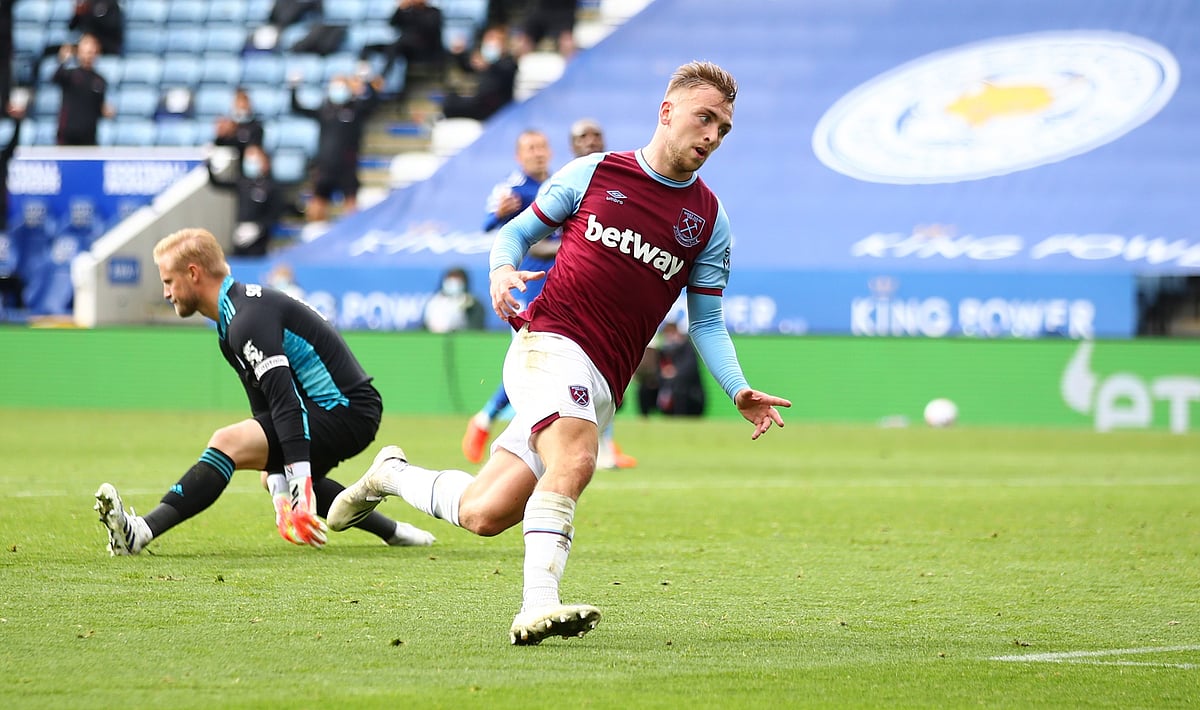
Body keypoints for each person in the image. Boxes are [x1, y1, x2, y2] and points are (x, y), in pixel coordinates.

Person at [328, 61, 791, 645]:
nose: (711, 136)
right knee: (576, 461)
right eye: (704, 119)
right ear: (667, 111)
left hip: (601, 385)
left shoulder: (708, 221)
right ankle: (536, 606)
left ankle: (391, 476)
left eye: (723, 129)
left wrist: (737, 388)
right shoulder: (594, 173)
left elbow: (707, 321)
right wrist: (500, 272)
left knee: (484, 512)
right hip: (549, 344)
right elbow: (516, 233)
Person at [93, 228, 434, 555]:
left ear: (193, 273)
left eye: (168, 281)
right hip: (335, 410)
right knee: (268, 475)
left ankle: (140, 532)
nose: (166, 293)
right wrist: (281, 503)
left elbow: (286, 404)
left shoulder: (247, 320)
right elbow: (266, 411)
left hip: (347, 410)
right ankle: (397, 533)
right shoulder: (233, 322)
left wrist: (300, 496)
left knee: (228, 442)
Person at [460, 128, 554, 463]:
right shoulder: (511, 188)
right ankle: (492, 423)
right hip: (525, 286)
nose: (538, 152)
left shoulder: (559, 184)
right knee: (529, 358)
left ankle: (494, 422)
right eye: (530, 147)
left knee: (546, 361)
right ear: (519, 155)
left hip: (560, 285)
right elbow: (488, 224)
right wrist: (499, 213)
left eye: (542, 145)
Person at [290, 72, 381, 223]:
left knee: (351, 207)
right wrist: (293, 88)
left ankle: (351, 234)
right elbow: (297, 108)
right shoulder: (325, 111)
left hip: (347, 166)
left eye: (340, 86)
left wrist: (366, 85)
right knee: (317, 204)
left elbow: (374, 103)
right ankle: (315, 234)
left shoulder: (356, 109)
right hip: (325, 166)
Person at [206, 144, 302, 257]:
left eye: (254, 156)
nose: (250, 160)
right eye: (248, 156)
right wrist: (208, 165)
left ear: (265, 162)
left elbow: (275, 213)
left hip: (259, 238)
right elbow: (217, 184)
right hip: (240, 233)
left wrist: (259, 228)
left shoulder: (272, 187)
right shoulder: (243, 183)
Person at [358, 0, 445, 87]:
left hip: (422, 50)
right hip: (402, 47)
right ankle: (363, 76)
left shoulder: (434, 12)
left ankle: (382, 78)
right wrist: (400, 9)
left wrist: (412, 11)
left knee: (394, 46)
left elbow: (428, 29)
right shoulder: (408, 11)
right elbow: (392, 24)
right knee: (369, 47)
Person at [441, 26, 517, 122]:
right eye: (488, 39)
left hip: (496, 107)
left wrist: (489, 66)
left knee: (451, 104)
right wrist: (459, 54)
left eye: (495, 40)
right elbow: (468, 67)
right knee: (451, 98)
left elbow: (503, 73)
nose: (490, 43)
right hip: (480, 102)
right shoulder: (488, 61)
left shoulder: (509, 62)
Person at [52, 34, 114, 147]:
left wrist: (105, 110)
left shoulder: (100, 80)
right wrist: (62, 61)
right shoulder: (70, 75)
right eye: (86, 51)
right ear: (79, 52)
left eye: (92, 51)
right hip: (68, 134)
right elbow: (56, 78)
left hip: (89, 135)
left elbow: (99, 107)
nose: (89, 55)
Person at [655, 320, 706, 416]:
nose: (669, 336)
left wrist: (673, 373)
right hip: (666, 390)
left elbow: (689, 370)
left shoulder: (688, 349)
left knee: (678, 388)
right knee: (647, 387)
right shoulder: (663, 352)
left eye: (671, 332)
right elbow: (657, 371)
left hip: (690, 394)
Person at [423, 266, 485, 333]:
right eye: (451, 278)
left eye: (458, 279)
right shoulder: (434, 301)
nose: (453, 282)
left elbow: (475, 328)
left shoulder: (472, 302)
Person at [213, 88, 265, 162]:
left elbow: (254, 148)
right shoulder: (227, 125)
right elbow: (218, 146)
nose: (242, 106)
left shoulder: (255, 127)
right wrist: (222, 134)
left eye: (244, 102)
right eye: (239, 102)